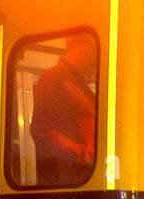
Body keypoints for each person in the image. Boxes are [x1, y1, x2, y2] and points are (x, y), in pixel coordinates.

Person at [30, 34, 97, 186]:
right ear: (81, 46)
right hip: (72, 184)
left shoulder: (78, 85)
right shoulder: (53, 79)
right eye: (94, 49)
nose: (96, 57)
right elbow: (44, 134)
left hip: (83, 181)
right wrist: (87, 155)